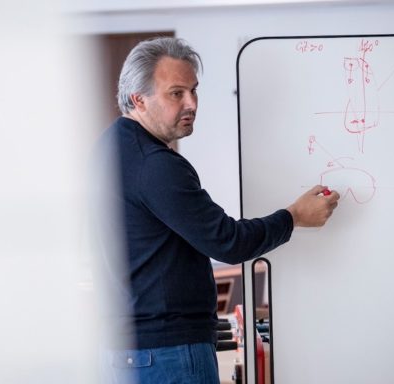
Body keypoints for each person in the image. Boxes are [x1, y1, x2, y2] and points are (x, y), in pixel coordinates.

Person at [94, 37, 340, 384]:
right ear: (139, 99)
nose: (192, 103)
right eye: (176, 93)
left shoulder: (108, 148)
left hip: (132, 352)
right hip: (167, 353)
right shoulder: (155, 165)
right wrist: (295, 216)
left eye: (194, 91)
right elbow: (228, 242)